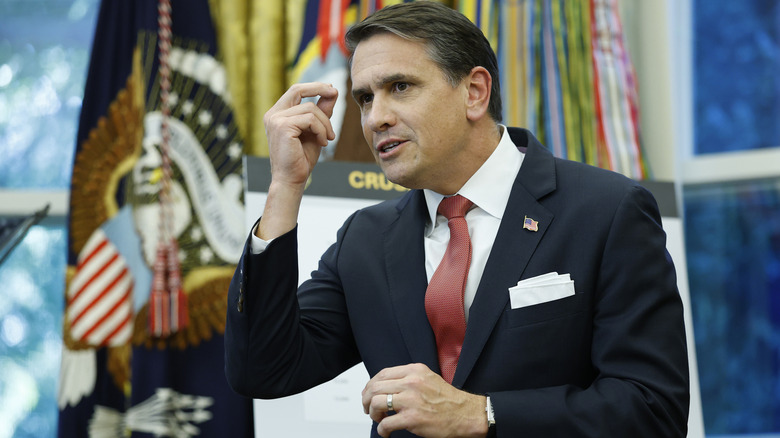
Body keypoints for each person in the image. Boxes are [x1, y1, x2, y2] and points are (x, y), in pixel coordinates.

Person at [224, 2, 690, 437]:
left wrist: (481, 414)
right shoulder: (365, 240)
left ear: (474, 92)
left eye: (399, 87)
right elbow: (263, 369)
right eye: (365, 98)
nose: (375, 118)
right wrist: (285, 186)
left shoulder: (607, 211)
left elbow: (653, 408)